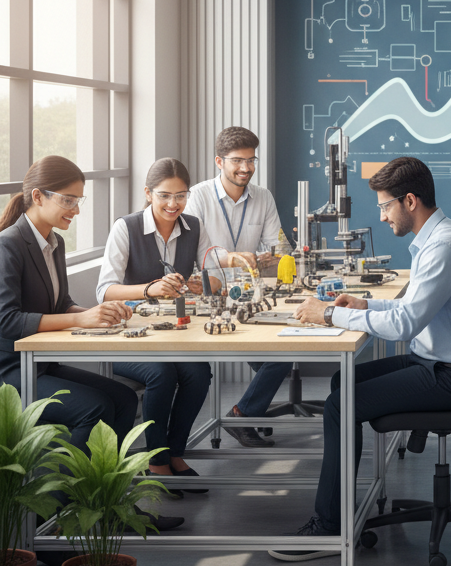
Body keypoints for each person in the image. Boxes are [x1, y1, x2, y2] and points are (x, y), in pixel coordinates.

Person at [268, 157, 451, 561]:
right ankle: (340, 507)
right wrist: (362, 303)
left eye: (384, 206)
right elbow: (411, 306)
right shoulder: (436, 238)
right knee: (343, 384)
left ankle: (329, 528)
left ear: (410, 201)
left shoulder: (443, 246)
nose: (382, 216)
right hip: (437, 361)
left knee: (341, 404)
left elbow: (406, 323)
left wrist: (332, 314)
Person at [0, 156, 183, 537]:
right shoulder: (9, 245)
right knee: (95, 407)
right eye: (69, 200)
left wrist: (97, 312)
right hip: (11, 371)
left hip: (41, 365)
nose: (76, 210)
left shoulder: (53, 242)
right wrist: (79, 319)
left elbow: (60, 303)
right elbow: (7, 322)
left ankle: (110, 503)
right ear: (37, 196)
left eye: (79, 200)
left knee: (121, 398)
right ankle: (60, 518)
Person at [97, 158, 214, 499]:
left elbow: (215, 277)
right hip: (128, 338)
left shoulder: (194, 226)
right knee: (161, 374)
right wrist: (150, 289)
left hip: (172, 334)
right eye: (164, 196)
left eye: (181, 196)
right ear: (148, 193)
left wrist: (201, 284)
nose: (173, 204)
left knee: (198, 374)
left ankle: (176, 453)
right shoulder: (126, 227)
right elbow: (104, 290)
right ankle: (157, 460)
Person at [185, 126, 289, 448]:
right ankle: (244, 414)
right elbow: (190, 253)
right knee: (277, 359)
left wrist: (265, 257)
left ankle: (246, 412)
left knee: (281, 354)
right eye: (237, 161)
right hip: (211, 297)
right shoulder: (197, 197)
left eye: (251, 160)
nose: (246, 168)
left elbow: (279, 249)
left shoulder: (263, 198)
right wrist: (228, 259)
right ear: (219, 161)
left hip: (252, 295)